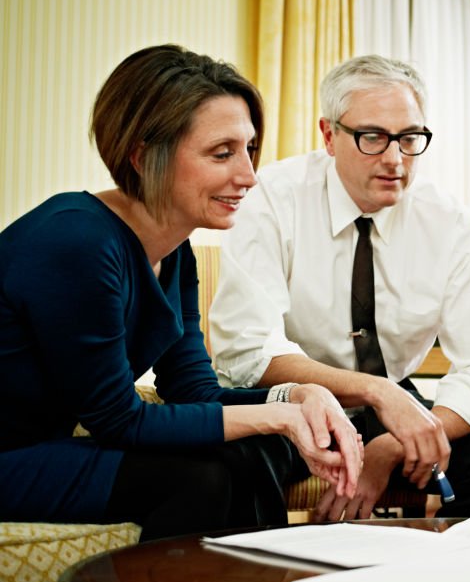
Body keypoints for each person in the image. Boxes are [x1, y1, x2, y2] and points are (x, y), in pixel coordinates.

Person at [0, 45, 362, 540]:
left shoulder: (175, 252)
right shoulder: (77, 240)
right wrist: (279, 415)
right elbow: (119, 422)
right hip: (9, 456)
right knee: (199, 479)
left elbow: (195, 391)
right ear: (145, 154)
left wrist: (298, 394)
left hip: (39, 448)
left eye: (249, 150)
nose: (249, 177)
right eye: (222, 153)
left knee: (245, 452)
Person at [210, 54, 470, 519]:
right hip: (297, 400)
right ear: (328, 135)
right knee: (235, 461)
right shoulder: (271, 198)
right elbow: (247, 353)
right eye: (372, 138)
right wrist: (377, 393)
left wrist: (389, 445)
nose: (394, 159)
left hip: (392, 404)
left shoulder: (449, 221)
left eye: (409, 139)